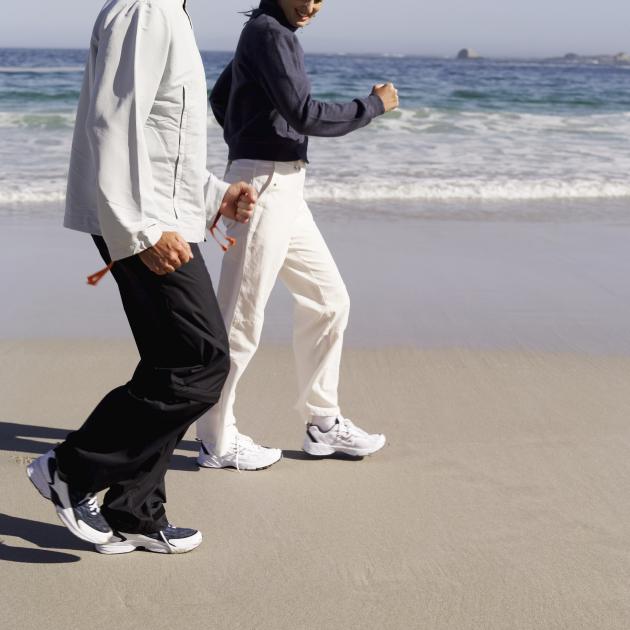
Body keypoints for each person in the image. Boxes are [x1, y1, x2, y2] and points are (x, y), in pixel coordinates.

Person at [26, 0, 257, 555]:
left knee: (172, 362)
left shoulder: (167, 11)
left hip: (152, 215)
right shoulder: (147, 10)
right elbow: (112, 122)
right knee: (202, 361)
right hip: (141, 221)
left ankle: (135, 508)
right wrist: (138, 230)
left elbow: (160, 139)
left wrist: (213, 193)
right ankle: (71, 469)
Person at [195, 0, 399, 471]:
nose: (311, 5)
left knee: (329, 300)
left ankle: (322, 424)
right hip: (263, 187)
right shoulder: (271, 33)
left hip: (285, 186)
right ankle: (216, 439)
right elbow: (305, 114)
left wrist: (246, 138)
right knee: (240, 319)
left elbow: (222, 97)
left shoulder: (269, 33)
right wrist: (373, 106)